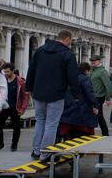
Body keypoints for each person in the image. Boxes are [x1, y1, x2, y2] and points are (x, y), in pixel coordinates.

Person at [26, 30, 80, 161]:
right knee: (51, 123)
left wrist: (28, 87)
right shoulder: (67, 54)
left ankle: (36, 151)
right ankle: (46, 153)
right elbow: (72, 77)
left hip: (38, 93)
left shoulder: (40, 51)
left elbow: (31, 69)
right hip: (56, 94)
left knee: (40, 121)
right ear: (67, 39)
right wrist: (76, 94)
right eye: (70, 41)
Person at [0, 63, 29, 151]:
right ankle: (0, 143)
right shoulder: (2, 79)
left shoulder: (20, 81)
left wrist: (22, 108)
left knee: (16, 127)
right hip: (4, 107)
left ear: (13, 71)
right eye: (4, 72)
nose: (6, 73)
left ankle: (14, 145)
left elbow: (25, 96)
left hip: (15, 108)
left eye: (8, 72)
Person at [59, 62, 98, 140]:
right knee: (82, 132)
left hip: (67, 108)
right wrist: (96, 104)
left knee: (68, 131)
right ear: (86, 71)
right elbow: (89, 93)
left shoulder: (68, 77)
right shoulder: (84, 78)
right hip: (81, 109)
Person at [89, 55, 112, 136]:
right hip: (93, 96)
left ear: (99, 61)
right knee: (96, 115)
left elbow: (108, 85)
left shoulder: (102, 71)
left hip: (99, 96)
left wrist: (108, 98)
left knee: (99, 115)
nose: (92, 62)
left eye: (94, 60)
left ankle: (105, 133)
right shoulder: (93, 70)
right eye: (91, 60)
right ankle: (100, 133)